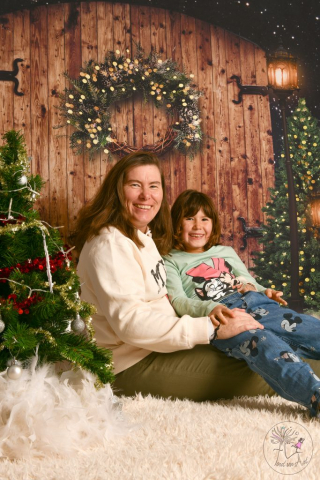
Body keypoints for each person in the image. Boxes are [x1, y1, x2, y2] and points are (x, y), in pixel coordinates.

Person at [74, 151, 274, 402]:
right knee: (265, 368)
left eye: (153, 186)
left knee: (265, 344)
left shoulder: (141, 236)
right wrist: (210, 329)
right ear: (117, 191)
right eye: (135, 185)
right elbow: (130, 324)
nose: (146, 196)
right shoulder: (110, 245)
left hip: (160, 346)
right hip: (129, 362)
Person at [163, 189, 320, 417]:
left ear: (212, 223)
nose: (198, 226)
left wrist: (265, 291)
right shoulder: (171, 260)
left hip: (258, 304)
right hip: (227, 318)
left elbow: (247, 279)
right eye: (189, 218)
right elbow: (178, 300)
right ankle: (315, 396)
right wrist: (210, 308)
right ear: (177, 223)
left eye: (204, 219)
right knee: (267, 346)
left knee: (308, 327)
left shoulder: (225, 251)